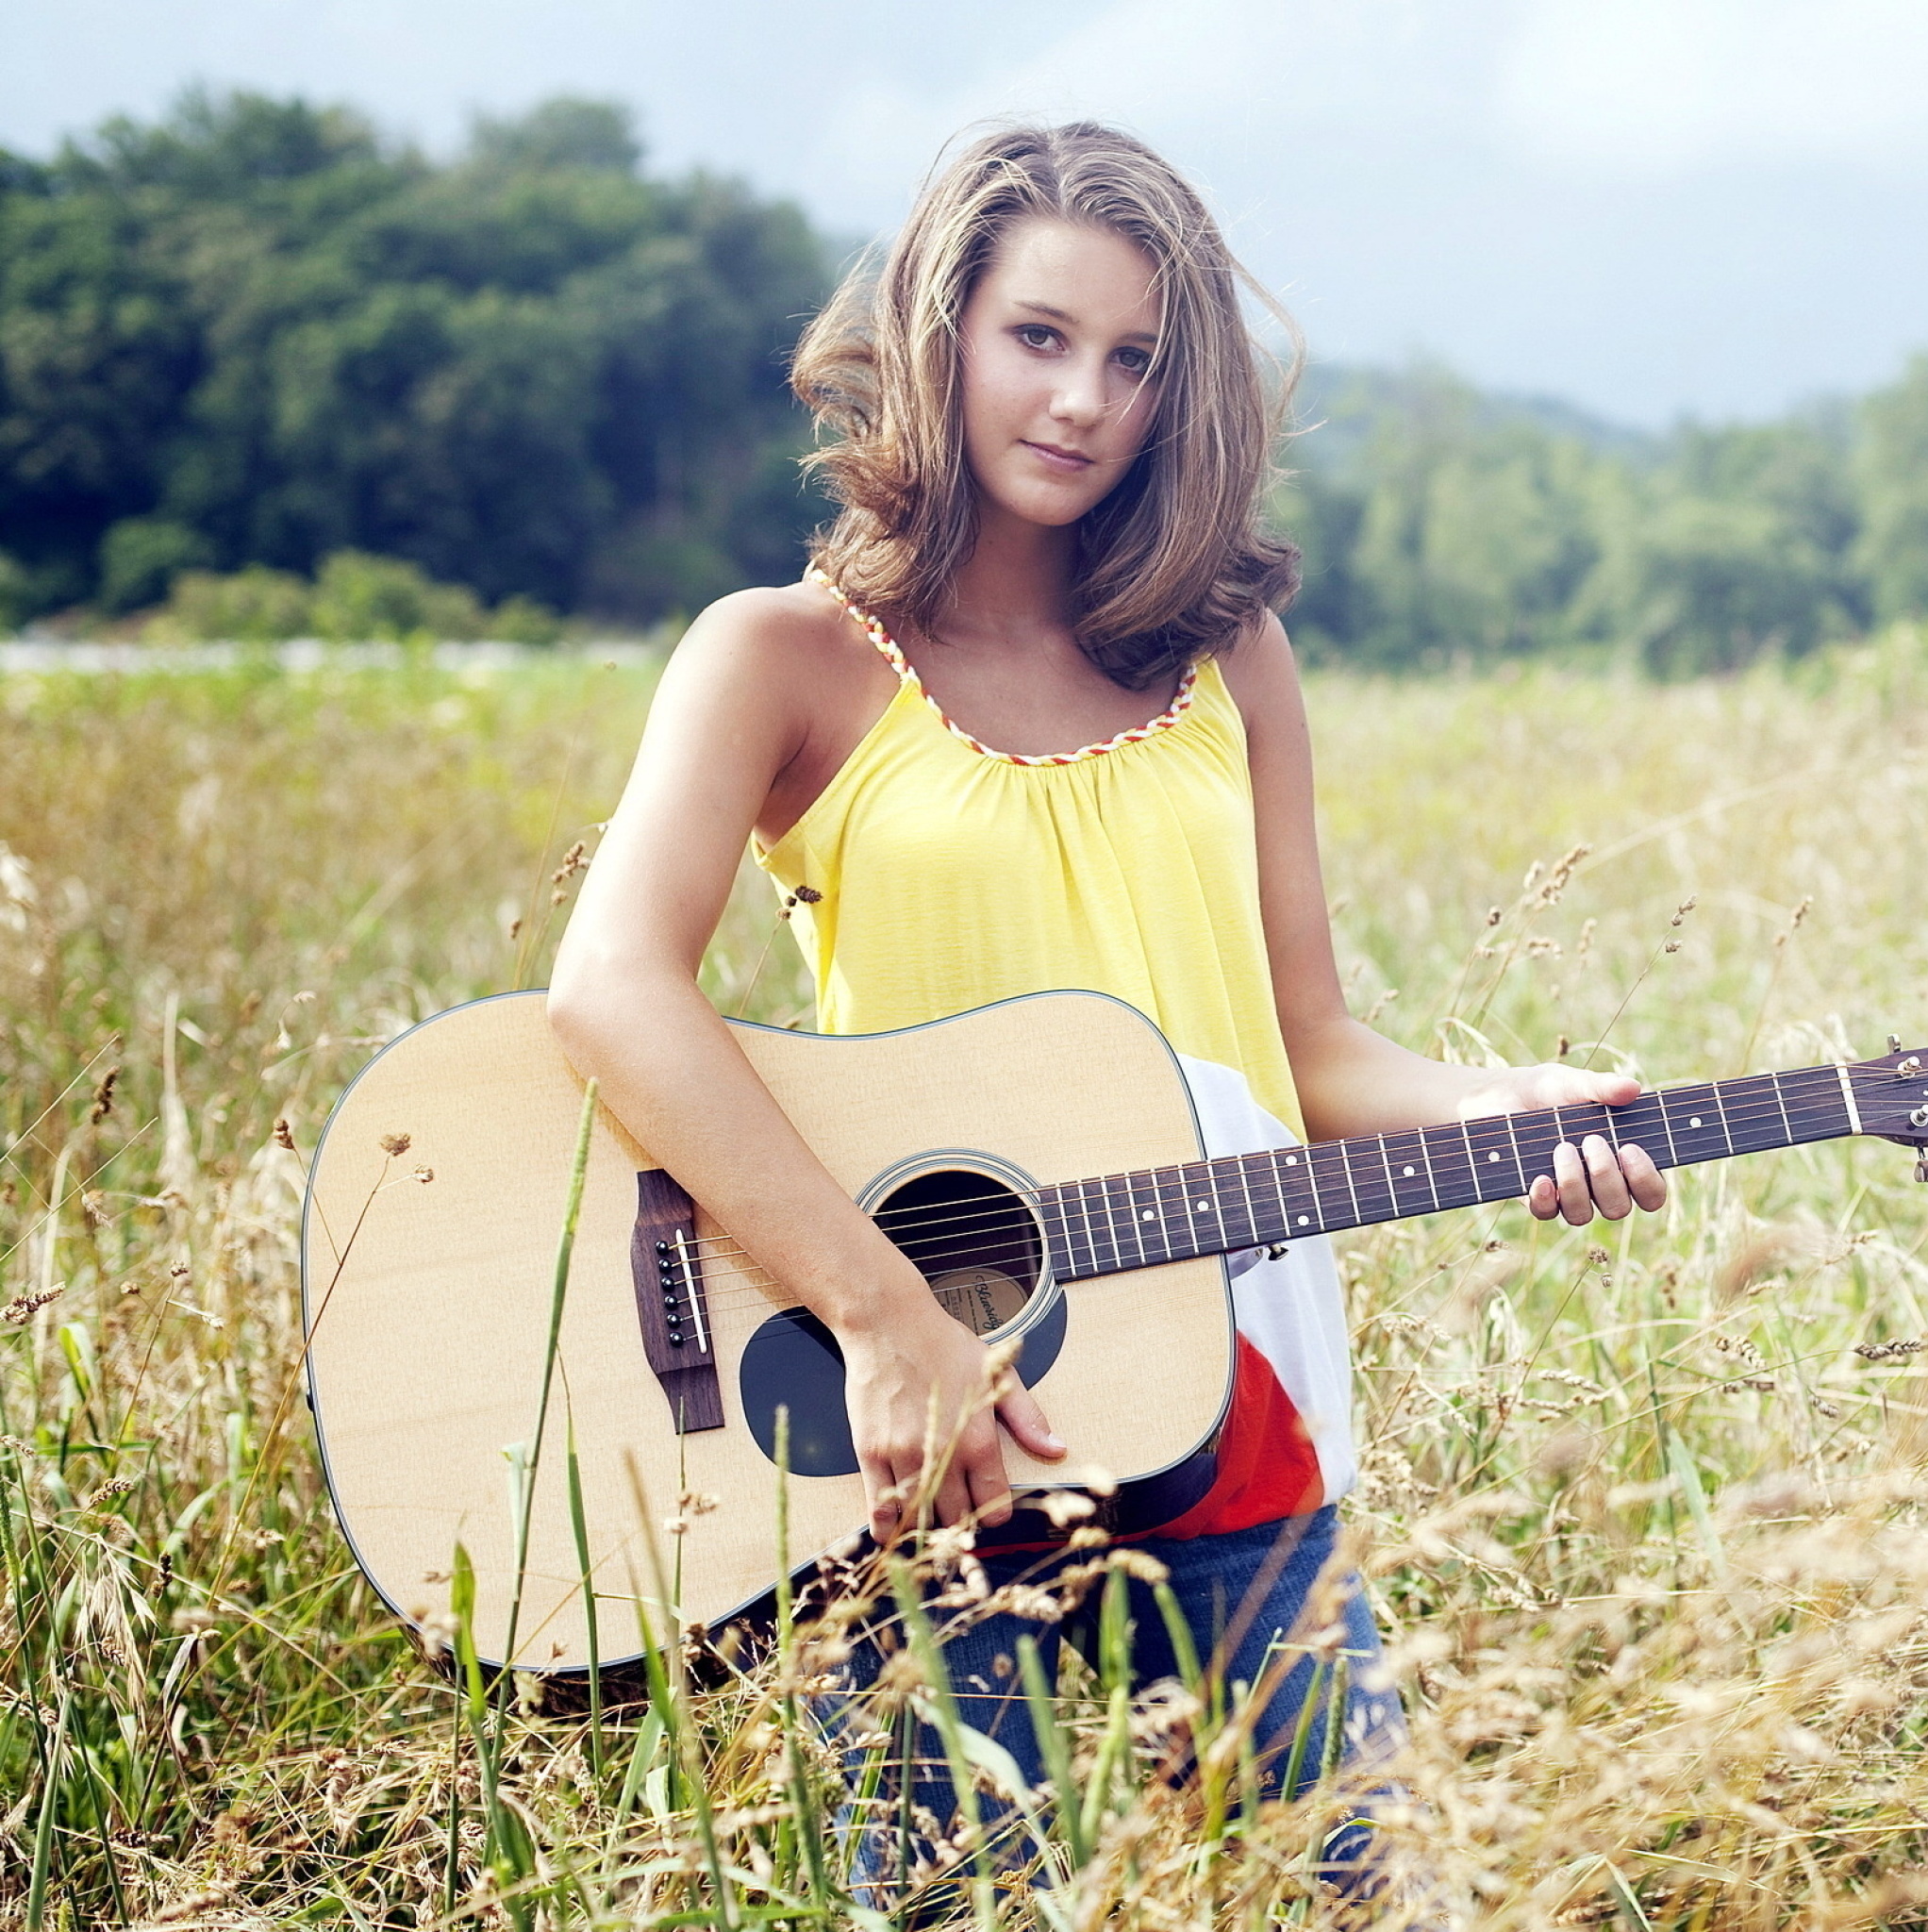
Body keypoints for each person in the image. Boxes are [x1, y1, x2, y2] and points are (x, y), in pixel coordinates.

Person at [547, 121, 1666, 1899]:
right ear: (942, 333)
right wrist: (886, 1316)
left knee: (1348, 1883)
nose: (1081, 399)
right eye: (1039, 338)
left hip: (1232, 1390)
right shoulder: (779, 656)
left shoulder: (1227, 655)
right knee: (956, 1897)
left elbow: (1310, 1050)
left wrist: (1508, 1105)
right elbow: (608, 990)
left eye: (1135, 359)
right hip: (923, 1425)